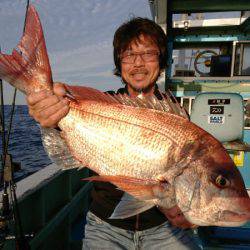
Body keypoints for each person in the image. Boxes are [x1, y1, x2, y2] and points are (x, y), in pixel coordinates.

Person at [27, 18, 200, 249]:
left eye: (148, 53)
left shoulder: (176, 116)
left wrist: (188, 214)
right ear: (119, 62)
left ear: (161, 60)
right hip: (105, 228)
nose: (138, 63)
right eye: (129, 54)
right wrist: (50, 117)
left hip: (165, 229)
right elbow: (61, 133)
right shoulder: (99, 104)